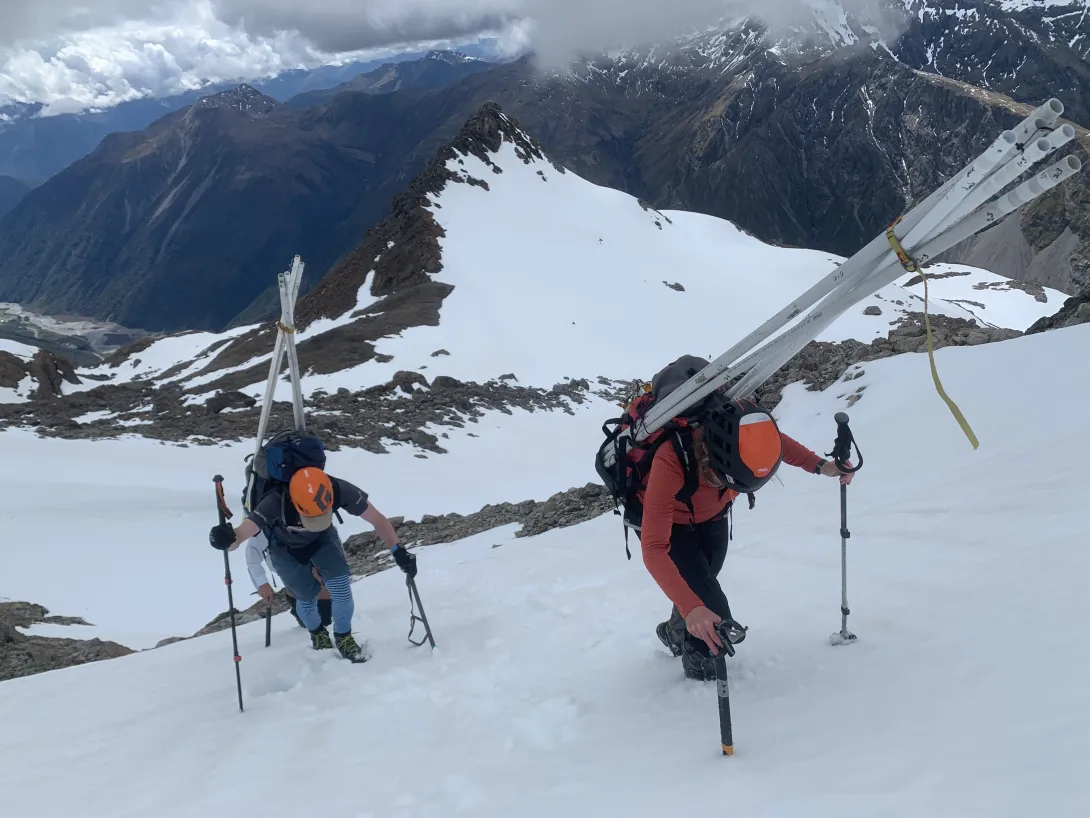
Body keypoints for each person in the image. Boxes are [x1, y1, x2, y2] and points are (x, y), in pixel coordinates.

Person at [640, 395, 854, 681]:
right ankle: (699, 676)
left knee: (703, 582)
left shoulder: (741, 432)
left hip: (714, 518)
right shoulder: (672, 458)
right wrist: (692, 608)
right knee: (714, 617)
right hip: (674, 527)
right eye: (722, 477)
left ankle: (673, 631)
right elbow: (654, 548)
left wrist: (822, 466)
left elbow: (778, 445)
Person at [209, 467, 417, 662]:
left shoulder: (339, 489)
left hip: (323, 540)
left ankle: (344, 637)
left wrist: (397, 549)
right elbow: (241, 536)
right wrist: (225, 539)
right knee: (305, 597)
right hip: (283, 548)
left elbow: (377, 519)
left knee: (341, 589)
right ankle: (318, 634)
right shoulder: (275, 501)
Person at [245, 530, 332, 630]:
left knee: (321, 587)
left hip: (311, 552)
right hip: (285, 564)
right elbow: (252, 558)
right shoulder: (260, 528)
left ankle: (323, 617)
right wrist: (262, 584)